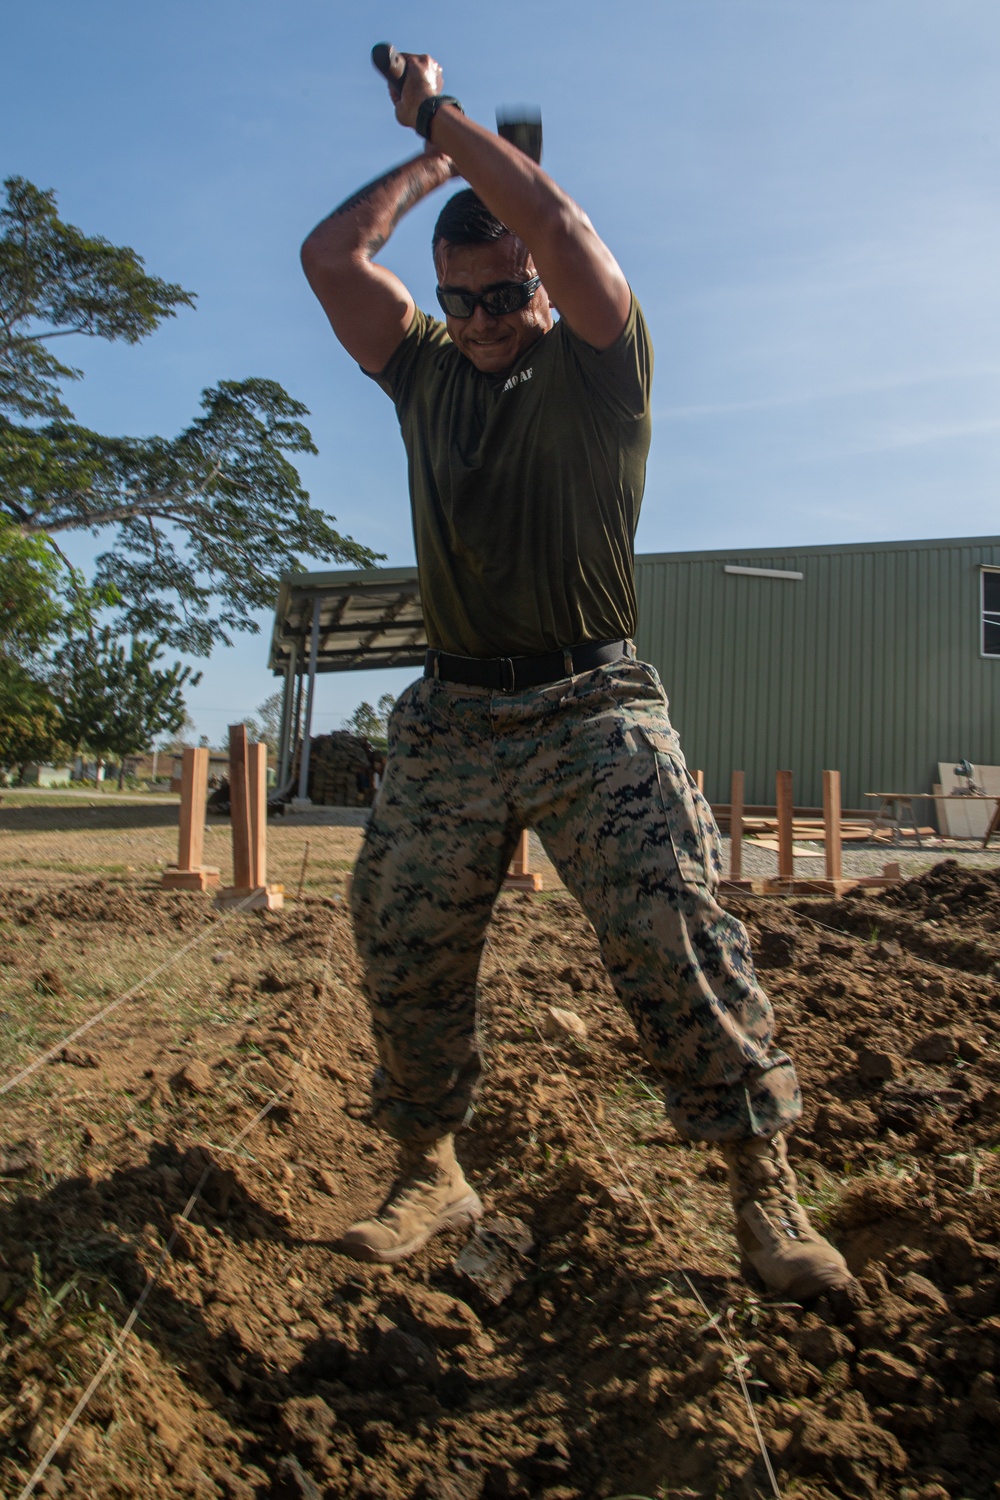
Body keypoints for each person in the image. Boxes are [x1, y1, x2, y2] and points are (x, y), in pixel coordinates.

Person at [301, 51, 850, 1302]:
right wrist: (435, 155)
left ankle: (762, 1192)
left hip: (590, 704)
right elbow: (332, 261)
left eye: (506, 294)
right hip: (452, 713)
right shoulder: (425, 372)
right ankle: (430, 1165)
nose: (489, 320)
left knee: (674, 930)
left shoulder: (601, 362)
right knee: (399, 932)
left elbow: (556, 220)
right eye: (466, 299)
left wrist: (443, 114)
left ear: (538, 285)